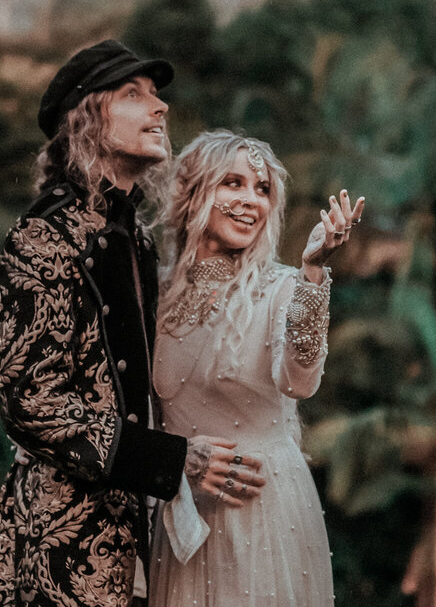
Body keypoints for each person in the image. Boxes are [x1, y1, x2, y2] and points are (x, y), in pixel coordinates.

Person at [0, 41, 266, 607]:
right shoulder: (43, 238)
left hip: (134, 540)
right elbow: (33, 406)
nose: (160, 108)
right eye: (133, 95)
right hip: (55, 552)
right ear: (85, 117)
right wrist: (174, 458)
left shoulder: (132, 237)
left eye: (158, 96)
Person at [148, 131, 363, 607]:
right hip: (181, 508)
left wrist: (312, 273)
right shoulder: (154, 294)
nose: (251, 201)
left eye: (262, 189)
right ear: (193, 194)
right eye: (233, 183)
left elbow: (299, 381)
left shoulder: (283, 287)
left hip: (261, 510)